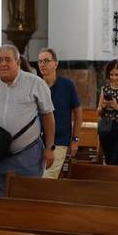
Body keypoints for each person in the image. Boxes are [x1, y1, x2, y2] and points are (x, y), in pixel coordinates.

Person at [0, 45, 55, 196]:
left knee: (27, 201)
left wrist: (50, 147)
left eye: (8, 60)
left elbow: (48, 116)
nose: (3, 64)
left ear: (17, 62)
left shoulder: (35, 83)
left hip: (27, 155)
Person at [37, 48, 80, 180]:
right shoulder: (36, 85)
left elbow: (77, 112)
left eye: (46, 61)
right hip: (37, 142)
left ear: (55, 63)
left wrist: (75, 139)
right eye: (40, 61)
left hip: (59, 141)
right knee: (35, 178)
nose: (42, 64)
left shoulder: (67, 85)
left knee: (47, 178)